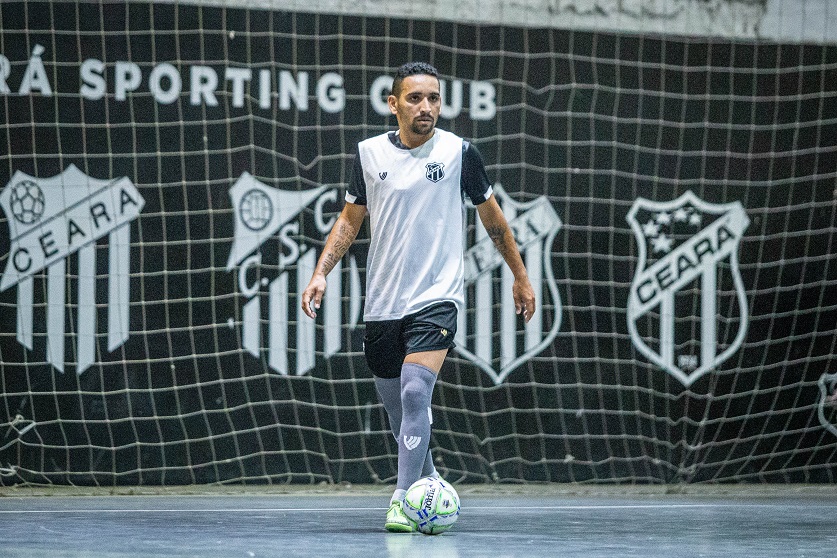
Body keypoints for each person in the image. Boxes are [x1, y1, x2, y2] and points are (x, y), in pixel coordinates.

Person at [301, 61, 535, 532]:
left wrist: (520, 275)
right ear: (393, 105)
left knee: (414, 391)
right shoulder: (368, 154)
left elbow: (493, 220)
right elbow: (349, 221)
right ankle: (427, 485)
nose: (426, 107)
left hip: (437, 296)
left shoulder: (459, 153)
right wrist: (321, 272)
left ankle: (402, 499)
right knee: (399, 411)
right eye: (414, 98)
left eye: (433, 98)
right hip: (383, 302)